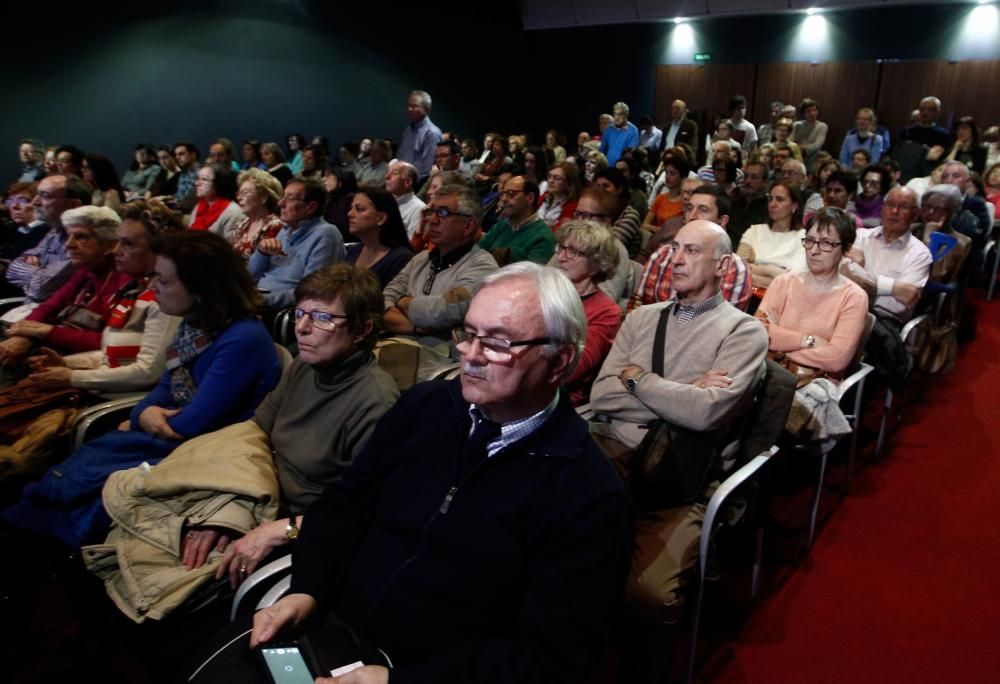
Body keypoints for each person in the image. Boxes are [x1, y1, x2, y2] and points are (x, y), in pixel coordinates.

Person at [248, 262, 633, 683]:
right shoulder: (426, 406)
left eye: (497, 343)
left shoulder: (589, 495)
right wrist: (308, 586)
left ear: (557, 362)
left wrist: (397, 681)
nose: (469, 354)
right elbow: (346, 502)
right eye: (468, 334)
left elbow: (549, 658)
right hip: (331, 630)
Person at [2, 231, 282, 548]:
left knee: (79, 484)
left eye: (163, 281)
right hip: (166, 441)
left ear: (200, 288)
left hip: (203, 453)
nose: (152, 287)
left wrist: (141, 417)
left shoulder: (242, 338)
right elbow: (162, 391)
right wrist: (143, 413)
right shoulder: (195, 324)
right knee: (64, 477)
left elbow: (192, 424)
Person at [172, 264, 400, 585]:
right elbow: (256, 433)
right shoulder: (305, 366)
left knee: (183, 583)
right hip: (258, 493)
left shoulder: (375, 403)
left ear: (362, 330)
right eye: (299, 313)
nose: (302, 328)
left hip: (303, 527)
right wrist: (227, 511)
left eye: (322, 318)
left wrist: (284, 529)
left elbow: (362, 513)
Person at [590, 220, 768, 618]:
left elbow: (705, 413)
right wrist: (687, 389)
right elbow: (602, 394)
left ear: (722, 266)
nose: (676, 259)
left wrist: (639, 380)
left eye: (691, 251)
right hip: (611, 454)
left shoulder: (744, 331)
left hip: (679, 477)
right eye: (674, 249)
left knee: (649, 595)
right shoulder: (642, 318)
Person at [26, 199, 185, 394]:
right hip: (97, 387)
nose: (116, 250)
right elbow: (110, 355)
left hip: (118, 401)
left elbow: (148, 373)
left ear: (160, 250)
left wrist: (71, 376)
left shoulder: (166, 301)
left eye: (127, 244)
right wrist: (65, 362)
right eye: (118, 241)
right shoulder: (133, 290)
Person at [756, 208, 868, 442]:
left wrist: (779, 341)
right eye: (810, 241)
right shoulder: (784, 282)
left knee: (763, 413)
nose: (815, 250)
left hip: (812, 380)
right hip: (770, 369)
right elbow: (758, 332)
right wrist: (809, 341)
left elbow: (836, 358)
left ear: (845, 250)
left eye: (826, 243)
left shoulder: (854, 297)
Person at [0, 206, 123, 369]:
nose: (69, 244)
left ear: (110, 245)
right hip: (52, 345)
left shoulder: (125, 279)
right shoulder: (86, 269)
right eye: (69, 236)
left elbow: (107, 342)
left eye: (81, 237)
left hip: (81, 362)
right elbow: (48, 306)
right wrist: (23, 337)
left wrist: (44, 332)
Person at [382, 183, 498, 354]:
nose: (432, 220)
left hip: (443, 359)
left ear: (469, 225)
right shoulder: (421, 259)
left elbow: (442, 311)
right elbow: (385, 299)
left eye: (443, 213)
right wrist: (415, 328)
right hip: (401, 345)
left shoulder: (482, 266)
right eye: (432, 211)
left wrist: (402, 301)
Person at [630, 185, 753, 312]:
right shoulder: (663, 254)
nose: (692, 216)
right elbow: (639, 306)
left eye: (703, 210)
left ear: (722, 221)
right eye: (689, 208)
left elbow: (719, 325)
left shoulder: (735, 269)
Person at [250, 178, 345, 312]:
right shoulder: (285, 230)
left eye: (289, 199)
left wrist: (261, 301)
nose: (280, 203)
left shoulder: (326, 234)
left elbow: (311, 292)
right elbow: (250, 276)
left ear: (310, 207)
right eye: (283, 197)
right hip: (259, 301)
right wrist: (262, 252)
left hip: (278, 311)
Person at [553, 221, 620, 406]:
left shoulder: (606, 311)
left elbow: (573, 370)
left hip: (560, 398)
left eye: (573, 252)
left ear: (596, 265)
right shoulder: (545, 291)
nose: (561, 257)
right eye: (562, 248)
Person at [5, 174, 91, 308]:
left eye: (44, 195)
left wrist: (31, 273)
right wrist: (36, 272)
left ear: (73, 204)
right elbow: (12, 268)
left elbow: (41, 289)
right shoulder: (54, 231)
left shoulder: (83, 241)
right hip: (26, 310)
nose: (35, 202)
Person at [738, 180, 807, 289]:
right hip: (749, 295)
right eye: (770, 199)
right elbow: (739, 269)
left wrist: (761, 269)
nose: (772, 204)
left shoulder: (803, 237)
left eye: (779, 199)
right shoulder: (754, 231)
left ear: (794, 206)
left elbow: (793, 281)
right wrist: (774, 271)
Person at [478, 176, 555, 265]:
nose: (504, 199)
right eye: (503, 193)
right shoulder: (502, 224)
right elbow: (478, 252)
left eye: (511, 193)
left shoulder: (543, 238)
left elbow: (528, 277)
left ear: (530, 198)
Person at [345, 188, 413, 288]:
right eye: (351, 208)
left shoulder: (400, 258)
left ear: (381, 218)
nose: (350, 214)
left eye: (359, 209)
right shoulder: (354, 250)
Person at [230, 168, 284, 260]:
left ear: (263, 197)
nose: (239, 197)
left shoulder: (275, 226)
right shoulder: (243, 224)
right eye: (239, 193)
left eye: (245, 193)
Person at [188, 163, 246, 241]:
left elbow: (230, 249)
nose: (197, 183)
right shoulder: (199, 206)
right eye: (197, 179)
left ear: (218, 183)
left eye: (204, 179)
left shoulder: (233, 212)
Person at [397, 89, 442, 180]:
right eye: (409, 105)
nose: (409, 109)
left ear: (427, 109)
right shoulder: (408, 130)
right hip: (401, 181)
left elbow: (425, 170)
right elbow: (400, 158)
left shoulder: (432, 133)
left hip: (414, 186)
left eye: (414, 106)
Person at [642, 157, 689, 236]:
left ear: (683, 177)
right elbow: (644, 224)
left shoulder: (686, 202)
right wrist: (657, 229)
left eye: (673, 173)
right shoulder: (661, 198)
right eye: (666, 173)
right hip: (657, 237)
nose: (667, 176)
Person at [385, 160, 426, 240]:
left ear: (407, 182)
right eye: (388, 172)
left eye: (394, 173)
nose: (386, 177)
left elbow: (411, 245)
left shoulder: (419, 209)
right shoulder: (383, 203)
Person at [538, 161, 581, 230]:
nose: (551, 181)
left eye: (557, 178)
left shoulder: (573, 207)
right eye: (549, 176)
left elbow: (559, 232)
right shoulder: (543, 198)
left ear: (569, 185)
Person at [321, 166, 358, 243]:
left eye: (328, 176)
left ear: (340, 179)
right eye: (324, 176)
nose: (324, 179)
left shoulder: (351, 199)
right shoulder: (328, 198)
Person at [791, 98, 828, 166]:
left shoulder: (822, 126)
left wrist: (798, 147)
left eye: (814, 110)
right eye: (808, 111)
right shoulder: (796, 125)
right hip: (794, 159)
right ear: (803, 114)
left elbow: (816, 146)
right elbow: (790, 142)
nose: (812, 113)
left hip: (812, 161)